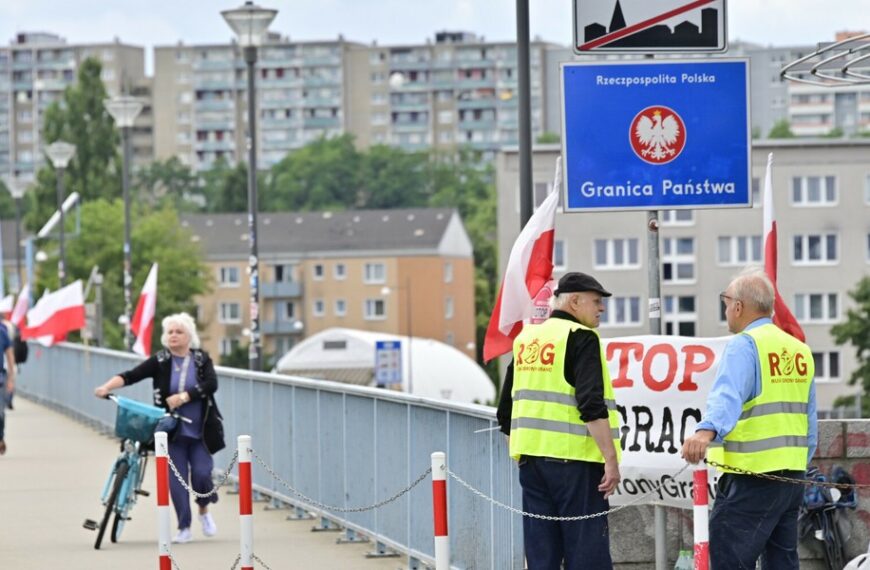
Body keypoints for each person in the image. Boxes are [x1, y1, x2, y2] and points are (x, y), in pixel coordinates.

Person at [681, 267, 817, 569]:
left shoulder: (745, 345)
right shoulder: (799, 350)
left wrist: (705, 432)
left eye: (726, 303)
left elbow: (727, 396)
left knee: (727, 560)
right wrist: (800, 467)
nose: (727, 310)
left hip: (752, 478)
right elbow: (810, 423)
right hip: (791, 477)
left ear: (739, 306)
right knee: (781, 561)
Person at [496, 272, 622, 569]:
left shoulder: (526, 338)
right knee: (586, 553)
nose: (601, 308)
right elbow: (591, 406)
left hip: (531, 463)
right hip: (574, 464)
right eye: (596, 301)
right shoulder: (581, 338)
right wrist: (611, 460)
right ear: (574, 301)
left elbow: (505, 411)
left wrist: (521, 451)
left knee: (542, 554)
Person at [95, 312, 221, 543]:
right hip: (171, 431)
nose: (173, 336)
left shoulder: (201, 360)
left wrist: (184, 396)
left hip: (200, 430)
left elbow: (211, 384)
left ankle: (204, 510)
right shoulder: (161, 360)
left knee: (202, 474)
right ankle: (184, 527)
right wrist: (106, 387)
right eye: (170, 332)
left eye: (179, 332)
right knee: (176, 480)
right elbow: (131, 376)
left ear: (189, 336)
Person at [0, 321, 16, 455]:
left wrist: (11, 378)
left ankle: (0, 437)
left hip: (0, 377)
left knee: (0, 411)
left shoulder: (2, 332)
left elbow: (10, 356)